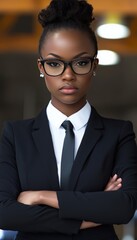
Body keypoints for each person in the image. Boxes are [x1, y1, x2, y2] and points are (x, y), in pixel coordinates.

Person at [0, 0, 137, 239]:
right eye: (54, 64)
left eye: (80, 62)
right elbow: (5, 212)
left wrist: (41, 196)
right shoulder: (15, 134)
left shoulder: (119, 134)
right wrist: (88, 216)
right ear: (41, 67)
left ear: (94, 65)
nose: (68, 75)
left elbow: (123, 207)